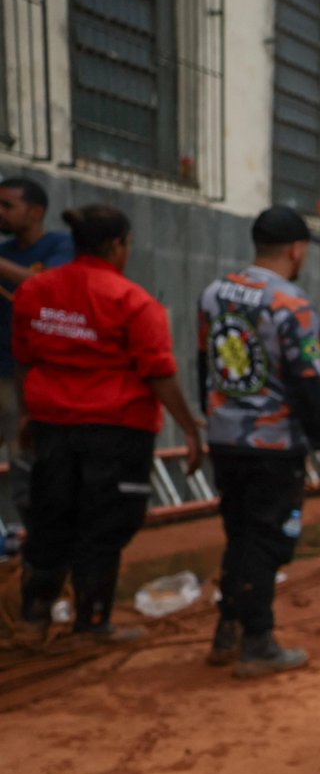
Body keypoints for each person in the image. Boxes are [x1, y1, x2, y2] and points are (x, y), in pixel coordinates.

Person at [12, 204, 201, 646]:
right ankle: (91, 624)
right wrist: (190, 429)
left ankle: (33, 621)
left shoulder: (35, 292)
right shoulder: (134, 302)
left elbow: (25, 360)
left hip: (52, 425)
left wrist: (27, 413)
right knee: (105, 524)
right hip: (116, 432)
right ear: (117, 246)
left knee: (50, 517)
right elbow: (159, 374)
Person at [198, 206, 320, 678]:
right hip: (272, 444)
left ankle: (227, 627)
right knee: (269, 541)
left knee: (240, 532)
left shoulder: (214, 294)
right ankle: (258, 641)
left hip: (224, 435)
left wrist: (209, 417)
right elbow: (307, 380)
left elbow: (203, 362)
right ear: (296, 250)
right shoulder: (290, 303)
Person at [0, 176, 75, 536]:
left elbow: (41, 285)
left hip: (27, 378)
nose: (0, 213)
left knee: (24, 461)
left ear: (36, 211)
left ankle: (39, 545)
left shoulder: (61, 247)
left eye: (6, 206)